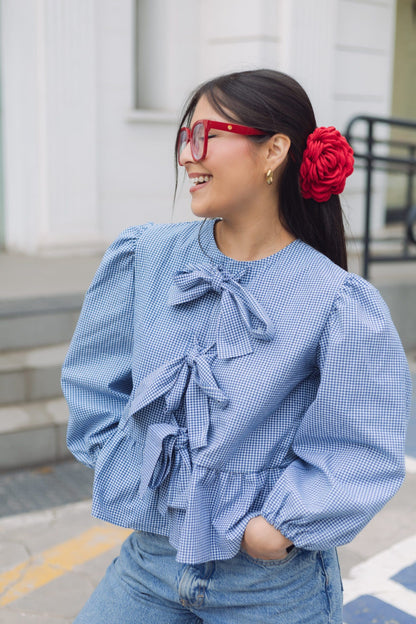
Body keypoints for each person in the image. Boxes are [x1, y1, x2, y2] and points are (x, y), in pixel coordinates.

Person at [61, 69, 411, 623]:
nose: (187, 156)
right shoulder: (145, 255)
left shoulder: (336, 300)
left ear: (274, 150)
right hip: (151, 560)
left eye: (205, 136)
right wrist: (131, 470)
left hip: (269, 587)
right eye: (185, 137)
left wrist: (276, 528)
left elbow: (363, 445)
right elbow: (92, 382)